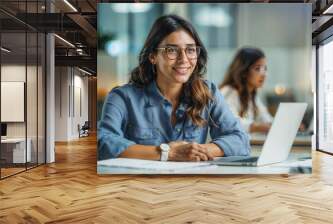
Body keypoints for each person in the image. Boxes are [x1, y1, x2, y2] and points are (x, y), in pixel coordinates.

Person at [98, 15, 250, 162]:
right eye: (172, 50)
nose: (183, 59)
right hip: (139, 184)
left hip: (191, 184)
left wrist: (196, 151)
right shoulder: (122, 97)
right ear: (153, 56)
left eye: (190, 50)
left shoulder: (208, 92)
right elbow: (103, 142)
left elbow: (240, 140)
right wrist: (168, 152)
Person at [220, 47, 273, 134]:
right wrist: (258, 127)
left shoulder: (252, 95)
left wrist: (283, 125)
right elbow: (229, 122)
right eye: (257, 69)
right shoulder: (228, 92)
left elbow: (265, 118)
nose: (263, 74)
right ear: (244, 71)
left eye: (265, 69)